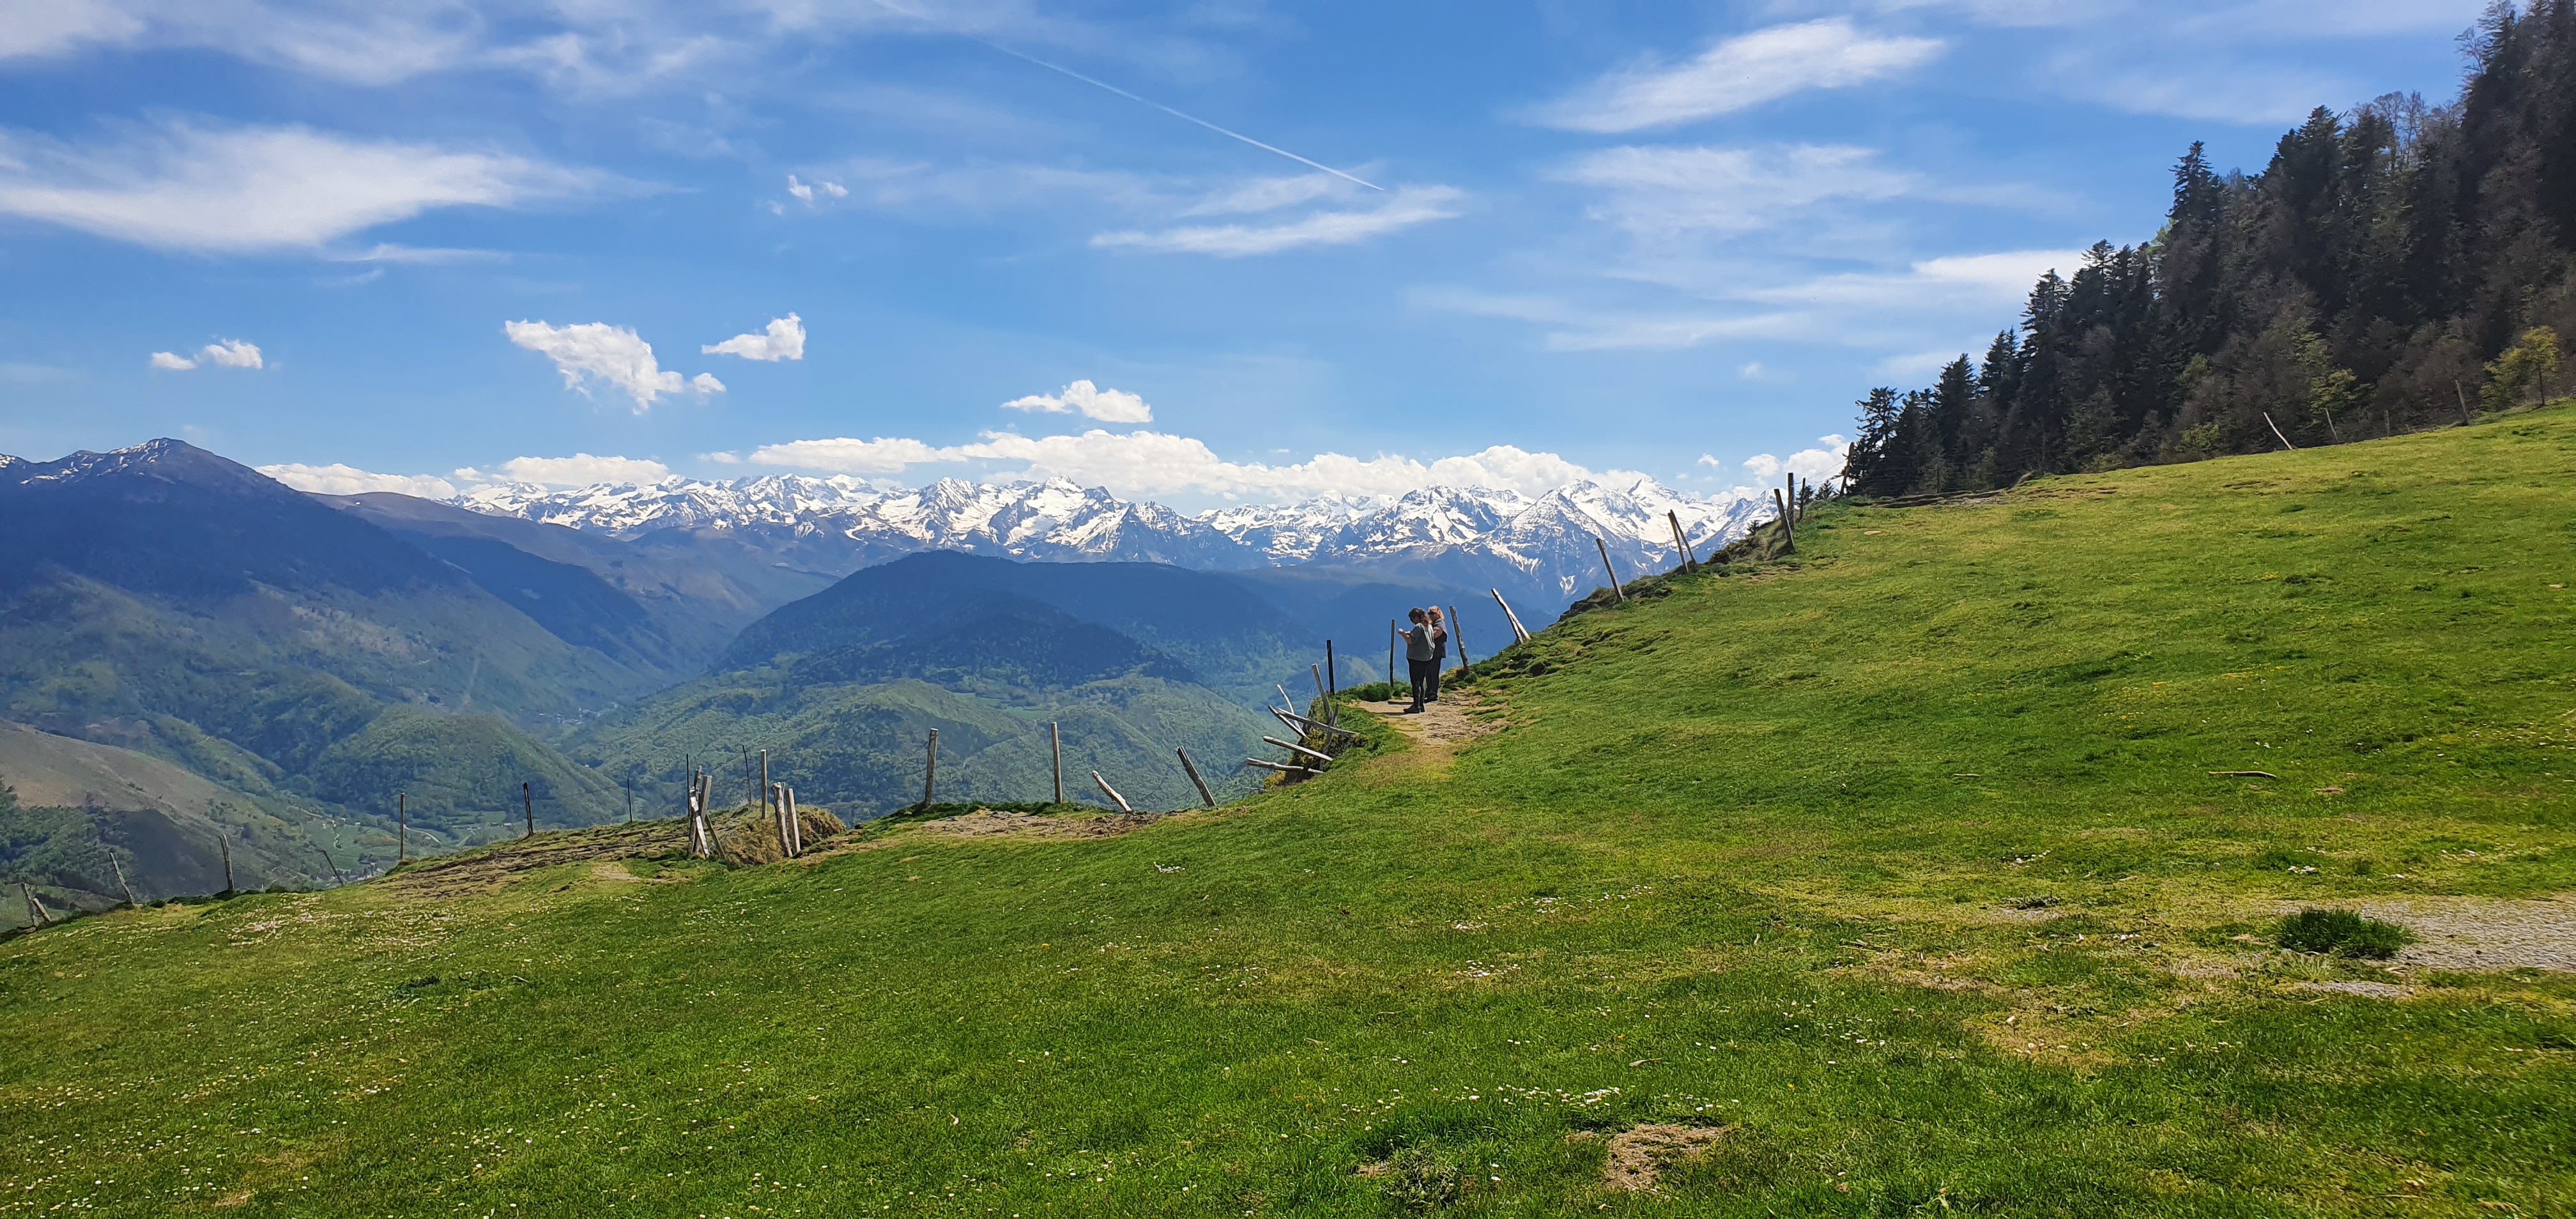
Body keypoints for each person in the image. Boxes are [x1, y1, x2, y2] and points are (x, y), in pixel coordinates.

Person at [1401, 607, 1436, 712]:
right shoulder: (1428, 626)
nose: (1412, 621)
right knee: (1421, 681)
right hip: (1427, 657)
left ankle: (1416, 707)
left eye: (1412, 619)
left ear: (1416, 618)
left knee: (1415, 682)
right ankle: (1421, 705)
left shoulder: (1419, 627)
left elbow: (1411, 641)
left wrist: (1403, 634)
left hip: (1416, 657)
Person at [1425, 606, 1449, 703]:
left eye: (1432, 613)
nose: (1430, 615)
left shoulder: (1440, 623)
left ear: (1438, 614)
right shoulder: (1434, 624)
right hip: (1431, 652)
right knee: (1428, 673)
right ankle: (1429, 691)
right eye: (1429, 613)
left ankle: (1433, 693)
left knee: (1433, 673)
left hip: (1436, 652)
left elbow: (1435, 634)